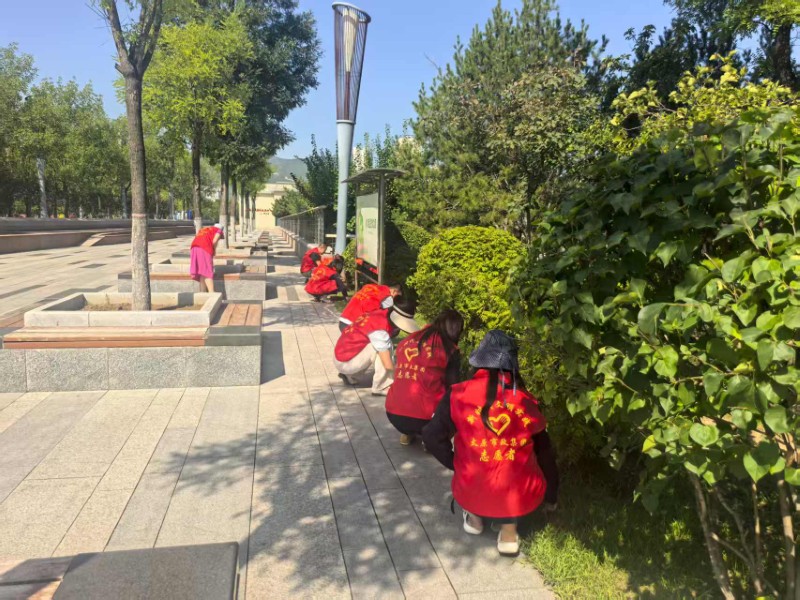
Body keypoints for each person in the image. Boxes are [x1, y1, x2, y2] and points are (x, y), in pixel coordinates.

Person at [422, 330, 559, 557]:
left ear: (479, 362)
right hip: (518, 495)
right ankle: (508, 532)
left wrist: (456, 464)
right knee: (513, 474)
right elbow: (545, 452)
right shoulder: (525, 400)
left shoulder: (457, 395)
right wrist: (551, 495)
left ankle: (475, 520)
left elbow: (431, 436)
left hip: (471, 486)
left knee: (478, 478)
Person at [385, 309, 464, 446]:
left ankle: (407, 433)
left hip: (393, 413)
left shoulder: (408, 340)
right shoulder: (449, 349)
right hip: (424, 418)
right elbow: (453, 387)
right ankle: (431, 440)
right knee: (454, 401)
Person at [334, 306, 419, 396]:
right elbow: (387, 364)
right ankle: (381, 386)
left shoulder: (378, 314)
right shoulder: (379, 330)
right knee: (384, 349)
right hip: (346, 362)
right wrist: (400, 376)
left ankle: (349, 375)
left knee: (378, 345)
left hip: (341, 356)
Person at [189, 223, 224, 293]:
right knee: (208, 270)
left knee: (202, 271)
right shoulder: (218, 230)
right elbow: (215, 240)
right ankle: (212, 292)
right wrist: (214, 250)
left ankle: (203, 291)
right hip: (204, 248)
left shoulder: (206, 229)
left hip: (194, 248)